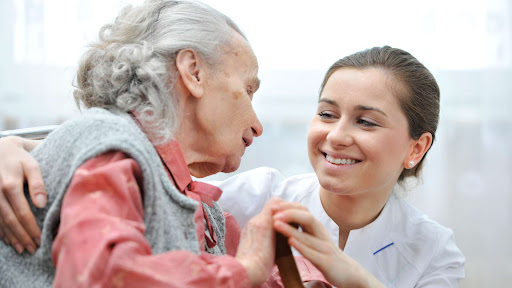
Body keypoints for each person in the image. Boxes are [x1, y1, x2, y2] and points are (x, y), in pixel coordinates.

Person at [0, 47, 466, 286]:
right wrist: (11, 148)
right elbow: (140, 156)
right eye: (326, 114)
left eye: (365, 121)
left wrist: (350, 276)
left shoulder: (436, 253)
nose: (337, 135)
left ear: (415, 148)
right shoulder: (254, 198)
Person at [0, 0, 283, 287]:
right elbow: (104, 277)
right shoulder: (109, 143)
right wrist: (244, 272)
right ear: (194, 72)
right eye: (247, 90)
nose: (257, 126)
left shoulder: (199, 207)